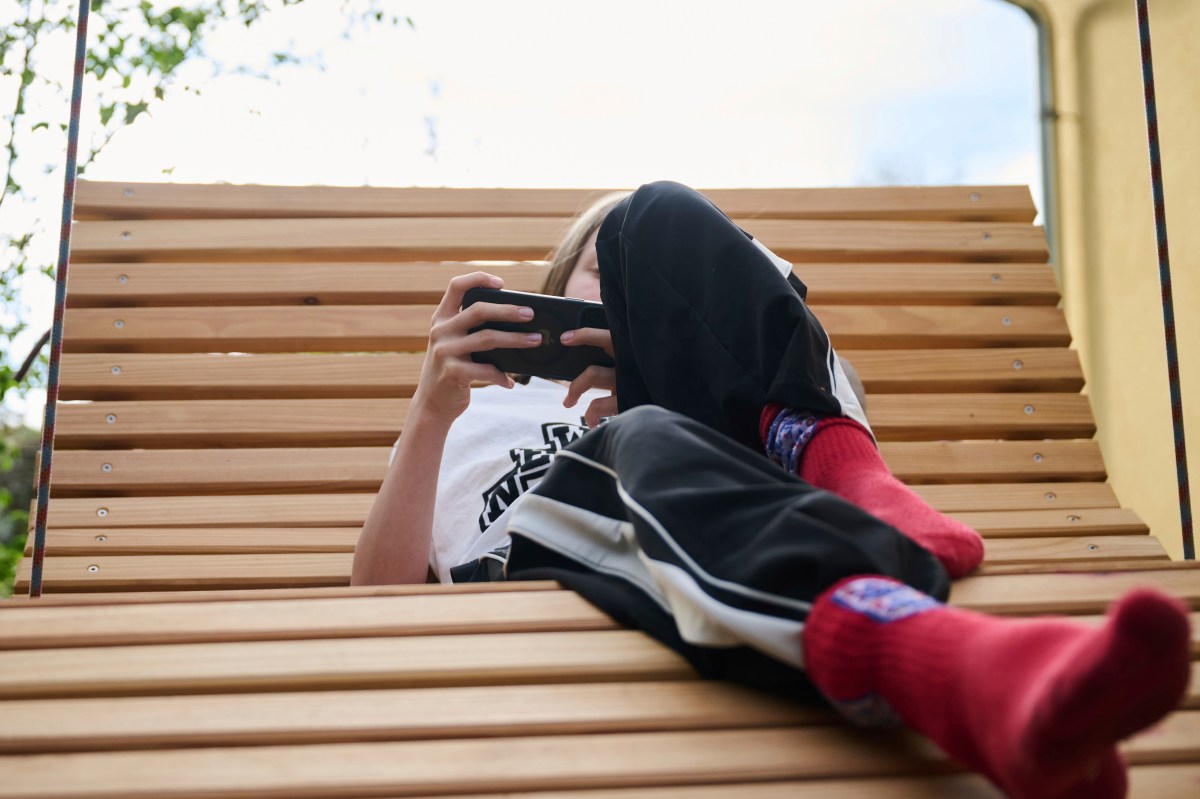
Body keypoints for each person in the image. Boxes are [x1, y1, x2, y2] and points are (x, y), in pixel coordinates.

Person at [353, 181, 1191, 799]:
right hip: (544, 556)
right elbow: (377, 596)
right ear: (555, 281)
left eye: (638, 285)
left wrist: (656, 370)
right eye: (602, 273)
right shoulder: (472, 406)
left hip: (715, 510)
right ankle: (967, 670)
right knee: (638, 437)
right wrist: (430, 409)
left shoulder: (676, 401)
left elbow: (805, 355)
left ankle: (847, 468)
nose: (620, 292)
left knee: (658, 212)